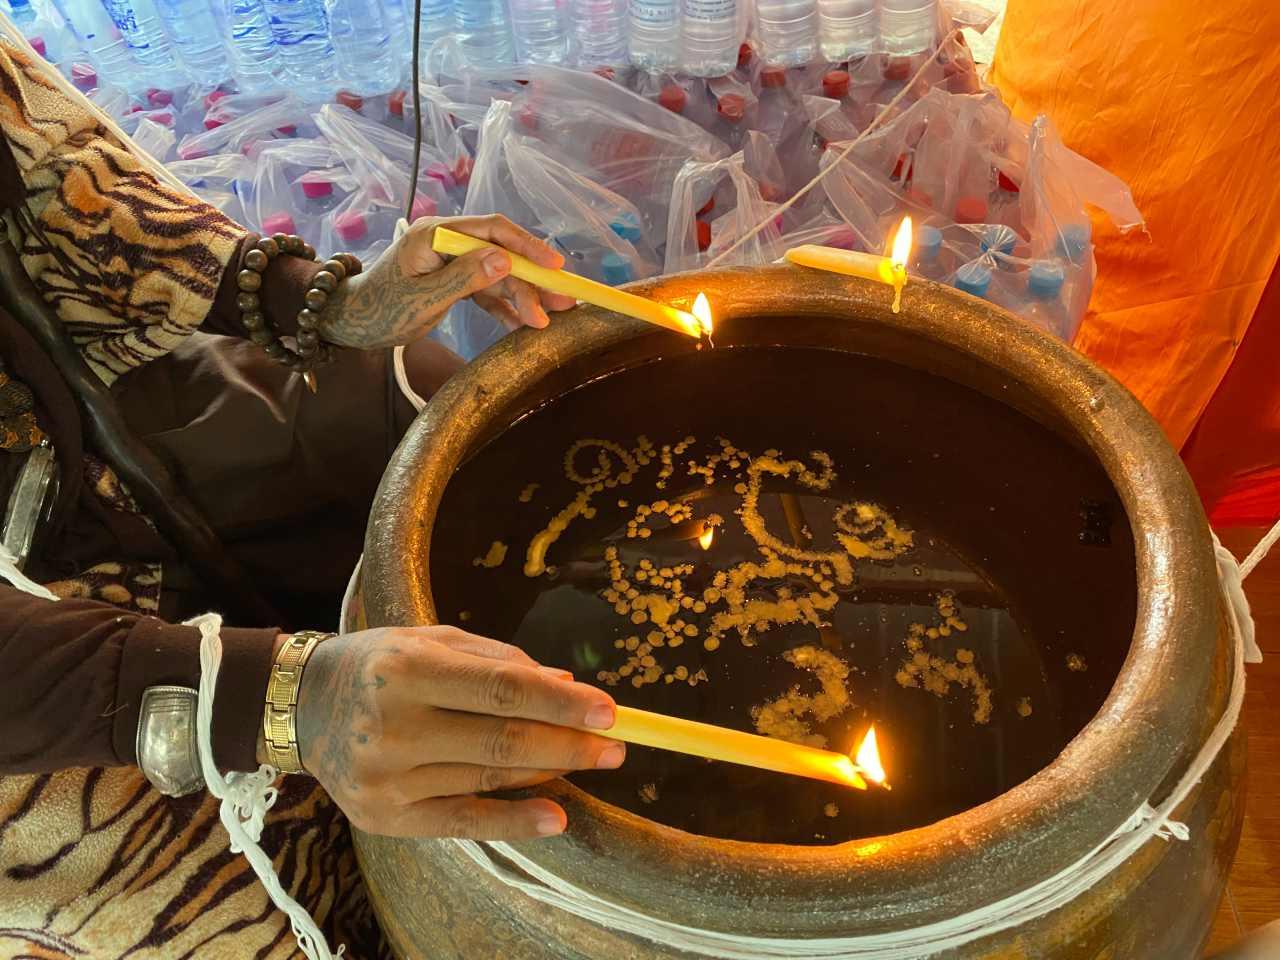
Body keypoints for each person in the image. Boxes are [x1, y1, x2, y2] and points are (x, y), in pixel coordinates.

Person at [0, 32, 623, 959]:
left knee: (421, 401)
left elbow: (50, 171)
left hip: (71, 405)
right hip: (25, 699)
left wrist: (317, 303)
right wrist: (267, 694)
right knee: (226, 899)